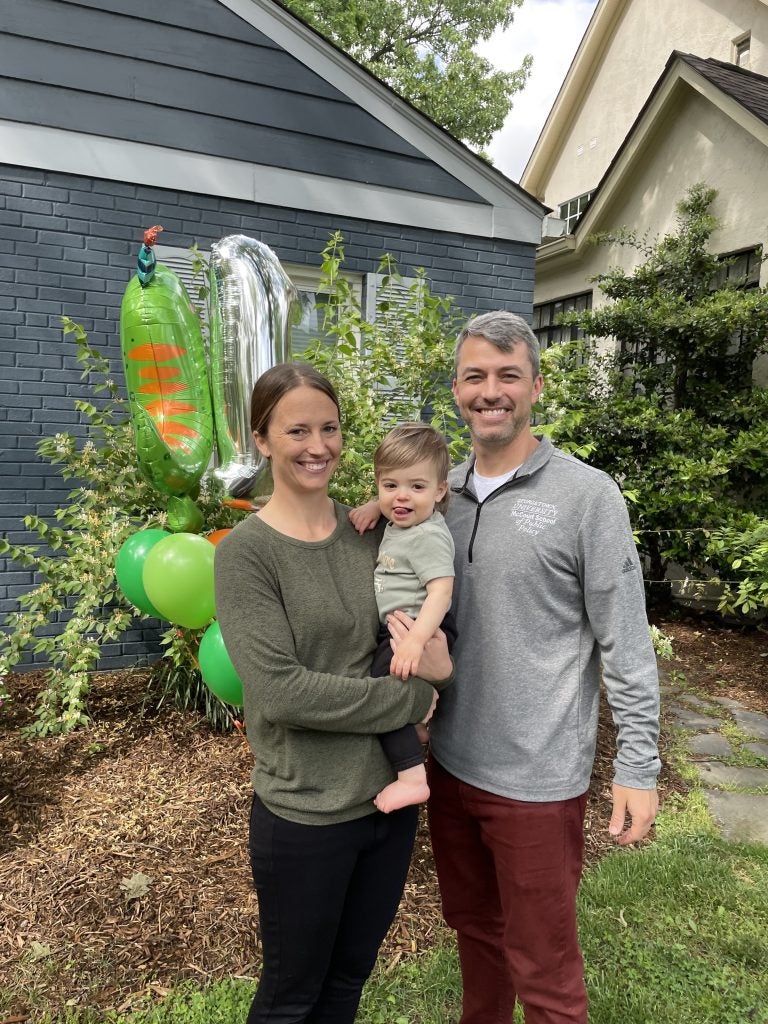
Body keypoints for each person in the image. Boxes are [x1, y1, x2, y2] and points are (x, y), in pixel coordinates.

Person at [364, 311, 661, 1023]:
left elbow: (624, 640)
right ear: (457, 388)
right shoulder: (439, 494)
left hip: (537, 778)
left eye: (506, 375)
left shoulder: (587, 497)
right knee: (476, 936)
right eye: (474, 376)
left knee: (547, 968)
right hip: (453, 764)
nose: (489, 391)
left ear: (534, 383)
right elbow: (386, 512)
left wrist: (639, 767)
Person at [214, 363, 452, 1024]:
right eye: (297, 430)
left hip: (387, 807)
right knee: (291, 998)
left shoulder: (372, 530)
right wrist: (410, 703)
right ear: (262, 439)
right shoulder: (247, 555)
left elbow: (426, 638)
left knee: (348, 982)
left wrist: (440, 669)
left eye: (329, 427)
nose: (317, 445)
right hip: (306, 814)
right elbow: (282, 692)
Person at [368, 422, 457, 815]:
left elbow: (442, 590)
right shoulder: (406, 521)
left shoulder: (428, 535)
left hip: (418, 630)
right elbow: (395, 500)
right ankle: (415, 726)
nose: (402, 496)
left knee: (377, 691)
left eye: (417, 488)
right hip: (406, 629)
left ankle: (411, 777)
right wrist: (377, 505)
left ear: (440, 491)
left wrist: (417, 642)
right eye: (390, 486)